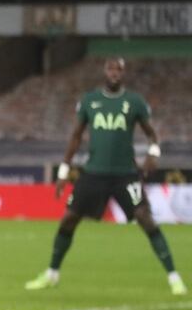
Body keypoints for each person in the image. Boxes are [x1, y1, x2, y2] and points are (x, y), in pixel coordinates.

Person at [26, 57, 187, 295]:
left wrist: (154, 153)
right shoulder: (90, 101)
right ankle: (52, 274)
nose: (114, 73)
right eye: (111, 69)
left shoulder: (134, 102)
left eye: (118, 69)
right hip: (94, 173)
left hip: (125, 174)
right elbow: (75, 137)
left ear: (123, 73)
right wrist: (63, 171)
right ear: (104, 72)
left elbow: (153, 135)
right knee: (69, 218)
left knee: (146, 218)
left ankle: (174, 278)